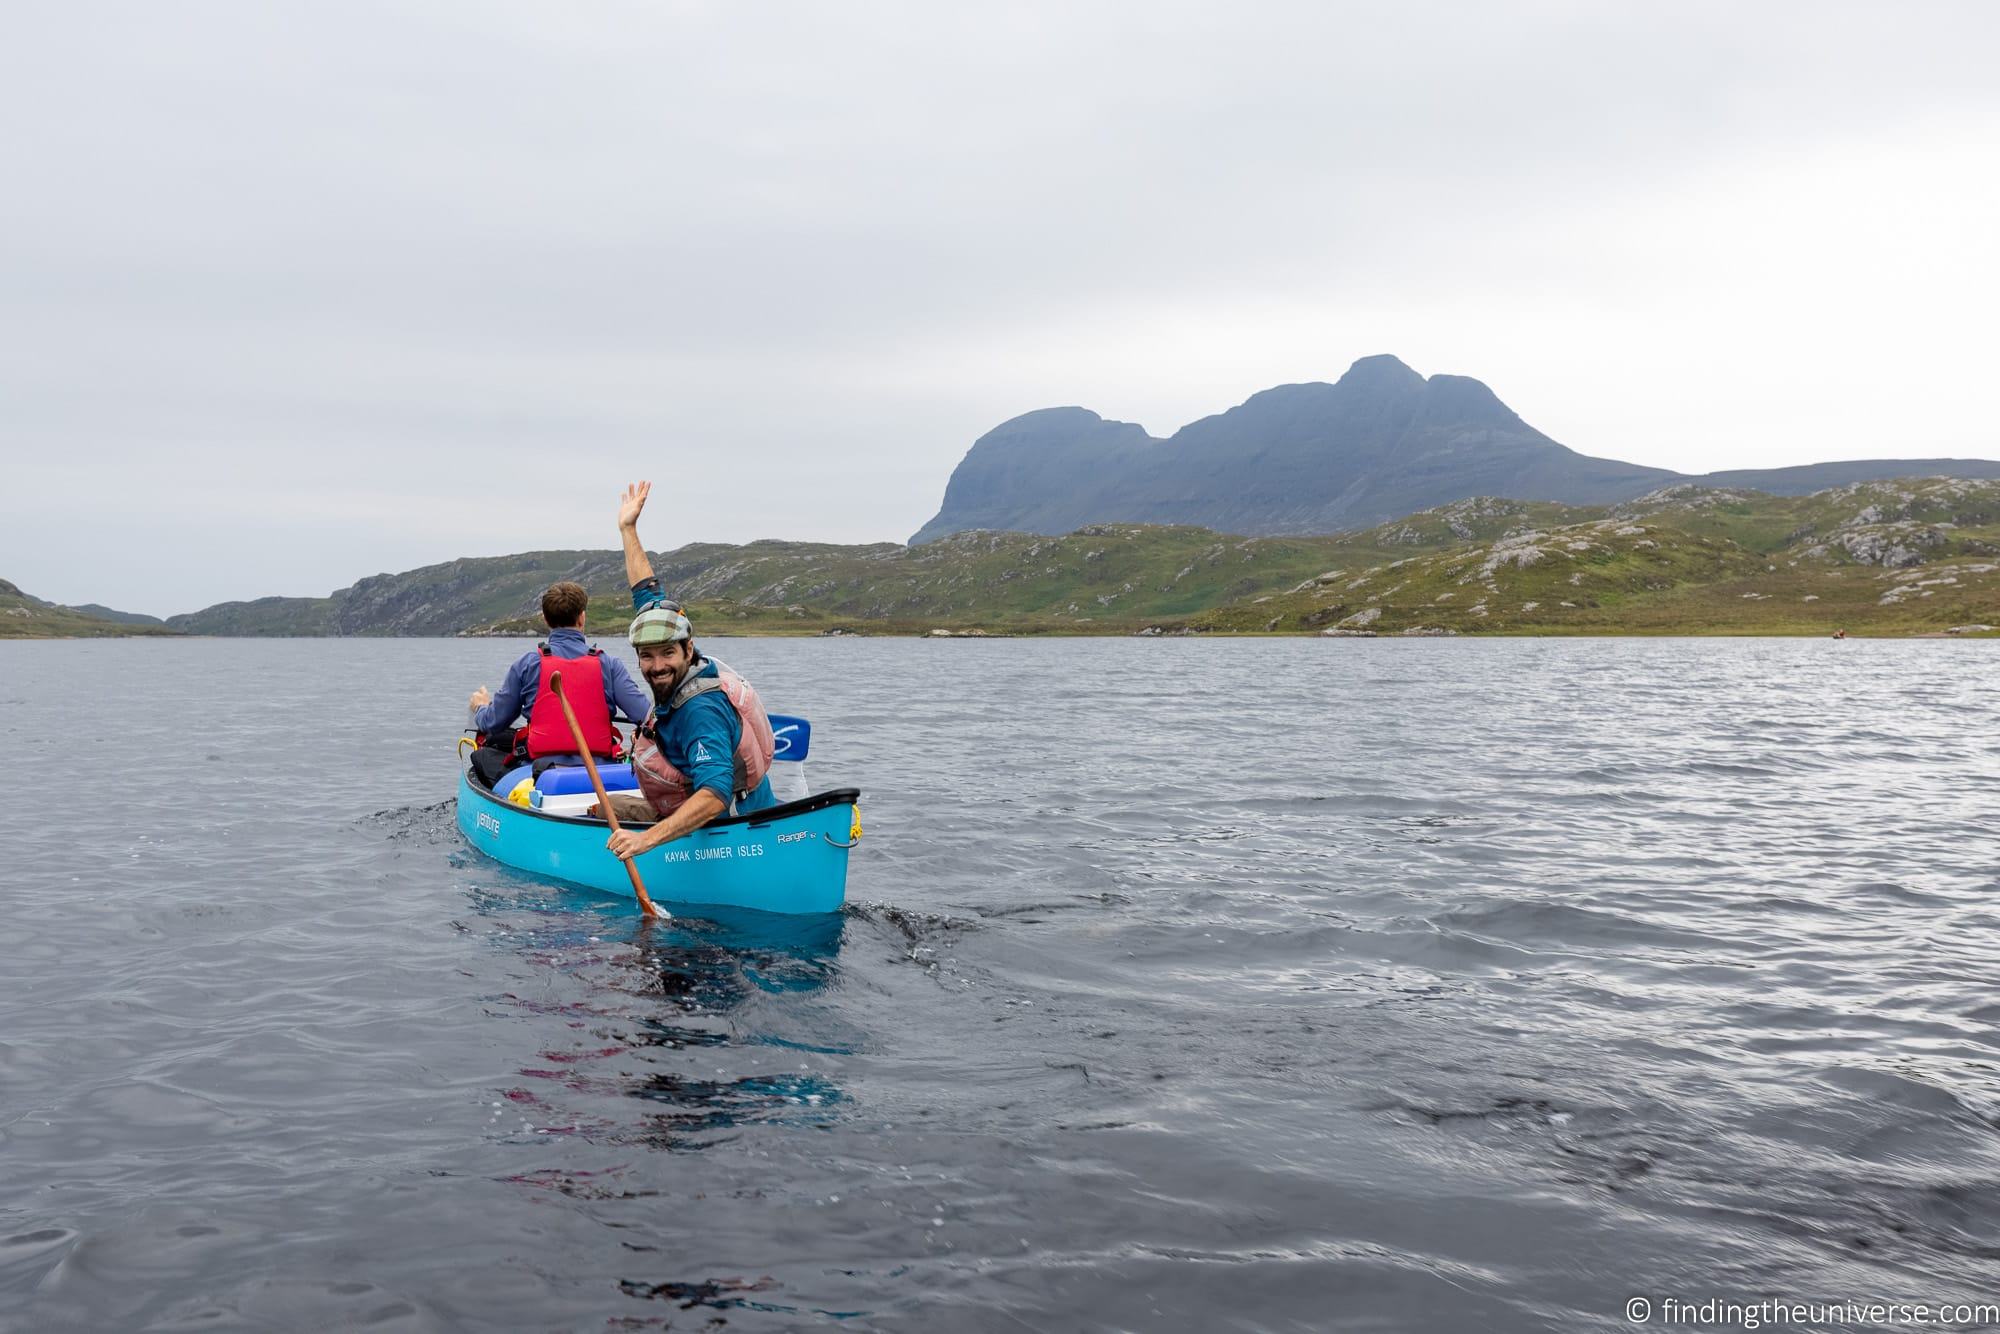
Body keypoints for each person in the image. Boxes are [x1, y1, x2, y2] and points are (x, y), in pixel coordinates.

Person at [599, 481, 778, 862]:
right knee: (604, 806)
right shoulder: (686, 658)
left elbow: (713, 796)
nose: (657, 666)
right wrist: (628, 530)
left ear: (688, 648)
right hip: (734, 813)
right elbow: (646, 592)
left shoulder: (700, 710)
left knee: (605, 817)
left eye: (667, 654)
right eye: (647, 657)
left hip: (730, 836)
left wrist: (644, 843)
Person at [465, 580, 652, 789]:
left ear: (546, 619)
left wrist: (480, 707)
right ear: (582, 617)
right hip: (602, 773)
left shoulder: (527, 664)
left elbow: (492, 723)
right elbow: (647, 717)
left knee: (484, 755)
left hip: (541, 772)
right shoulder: (609, 665)